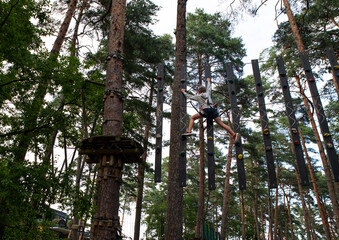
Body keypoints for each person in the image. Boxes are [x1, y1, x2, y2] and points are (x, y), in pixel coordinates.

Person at [181, 77, 240, 143]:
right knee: (222, 124)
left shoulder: (199, 96)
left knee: (192, 118)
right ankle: (234, 134)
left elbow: (189, 96)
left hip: (206, 110)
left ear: (199, 91)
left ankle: (189, 131)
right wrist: (208, 81)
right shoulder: (208, 93)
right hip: (213, 110)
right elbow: (209, 87)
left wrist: (184, 92)